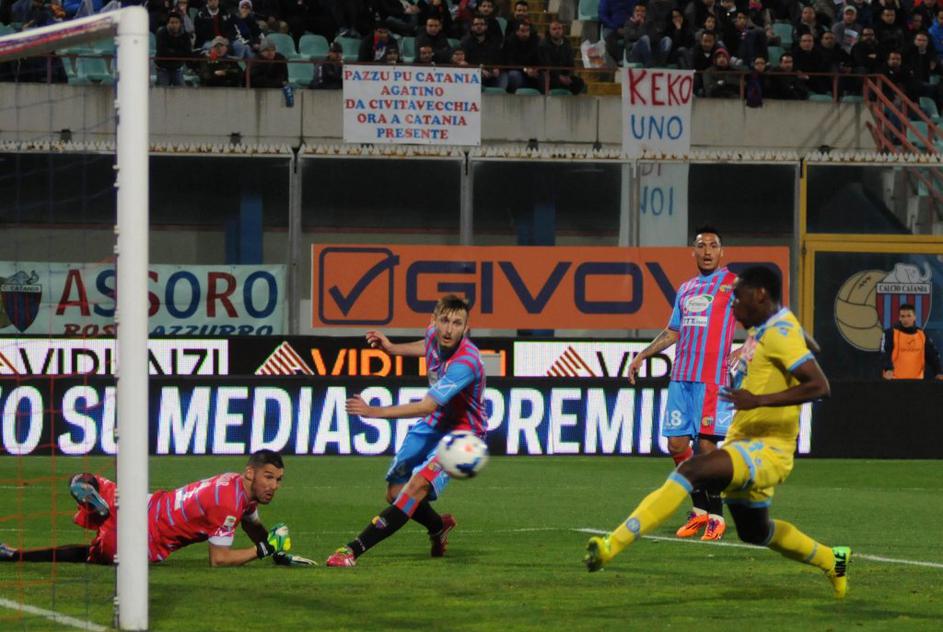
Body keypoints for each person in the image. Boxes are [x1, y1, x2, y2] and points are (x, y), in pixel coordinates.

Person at [585, 266, 851, 601]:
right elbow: (807, 342)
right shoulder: (768, 327)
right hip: (745, 441)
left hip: (767, 449)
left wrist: (758, 400)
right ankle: (832, 559)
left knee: (692, 468)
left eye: (737, 299)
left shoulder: (779, 333)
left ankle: (612, 544)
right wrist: (795, 329)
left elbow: (820, 385)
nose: (733, 306)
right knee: (755, 531)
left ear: (760, 295)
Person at [326, 294, 488, 567]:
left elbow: (426, 406)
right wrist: (392, 349)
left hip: (463, 435)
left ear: (466, 328)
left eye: (457, 323)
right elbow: (426, 345)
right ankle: (438, 526)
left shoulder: (466, 362)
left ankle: (351, 551)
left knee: (416, 486)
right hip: (436, 422)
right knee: (395, 492)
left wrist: (373, 412)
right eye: (444, 321)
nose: (449, 329)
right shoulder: (434, 334)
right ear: (433, 321)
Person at [0, 450, 314, 567]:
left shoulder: (234, 484)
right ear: (250, 473)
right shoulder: (227, 505)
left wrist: (273, 549)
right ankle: (15, 555)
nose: (274, 485)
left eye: (278, 480)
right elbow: (218, 560)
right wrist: (264, 550)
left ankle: (94, 507)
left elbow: (252, 523)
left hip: (141, 502)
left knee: (85, 478)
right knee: (90, 554)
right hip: (143, 541)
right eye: (268, 477)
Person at [626, 226, 738, 541]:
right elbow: (673, 331)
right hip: (682, 376)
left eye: (713, 245)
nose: (707, 251)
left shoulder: (733, 284)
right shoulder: (686, 289)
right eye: (701, 245)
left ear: (721, 252)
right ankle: (699, 509)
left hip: (711, 378)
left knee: (705, 447)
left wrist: (747, 347)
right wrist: (642, 355)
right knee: (676, 445)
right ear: (693, 251)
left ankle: (716, 516)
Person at [881, 303, 943, 380]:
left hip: (917, 381)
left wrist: (938, 372)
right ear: (899, 318)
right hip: (894, 380)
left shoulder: (922, 334)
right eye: (903, 316)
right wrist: (888, 369)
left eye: (909, 316)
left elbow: (933, 355)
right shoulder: (890, 333)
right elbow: (885, 353)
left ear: (914, 317)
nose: (906, 319)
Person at [155, 11, 193, 87]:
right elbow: (162, 52)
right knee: (162, 91)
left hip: (177, 68)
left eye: (176, 22)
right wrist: (179, 52)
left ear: (180, 24)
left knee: (182, 91)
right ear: (167, 23)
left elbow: (187, 52)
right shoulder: (161, 33)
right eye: (172, 22)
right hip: (163, 68)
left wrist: (171, 51)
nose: (174, 25)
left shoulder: (185, 35)